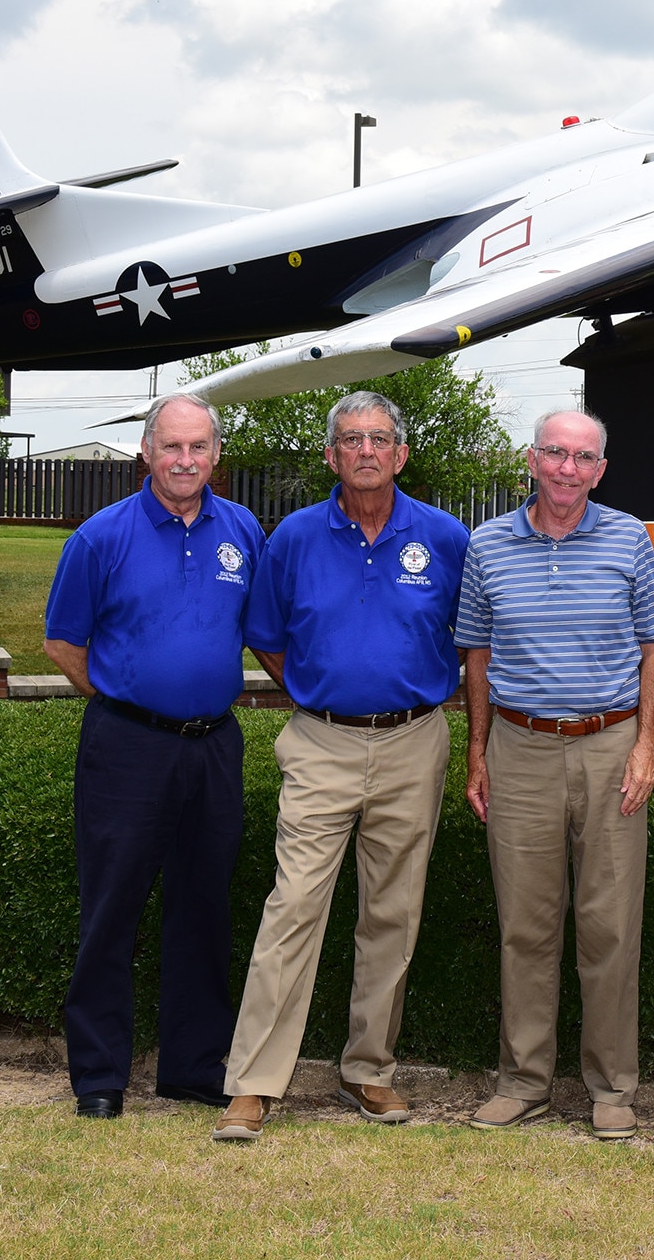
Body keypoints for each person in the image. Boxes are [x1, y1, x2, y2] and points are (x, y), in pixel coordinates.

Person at [211, 390, 469, 1142]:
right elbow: (265, 634)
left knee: (392, 914)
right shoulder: (292, 538)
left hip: (414, 741)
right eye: (350, 439)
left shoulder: (446, 538)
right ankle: (254, 1082)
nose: (365, 450)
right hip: (320, 742)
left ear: (400, 454)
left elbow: (470, 640)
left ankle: (369, 1071)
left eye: (379, 439)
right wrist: (318, 691)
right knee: (293, 908)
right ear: (330, 456)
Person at [454, 408, 654, 1142]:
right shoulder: (488, 545)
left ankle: (613, 1087)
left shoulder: (626, 540)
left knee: (611, 927)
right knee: (526, 928)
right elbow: (477, 656)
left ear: (601, 470)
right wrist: (478, 751)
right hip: (519, 750)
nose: (567, 470)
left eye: (584, 458)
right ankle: (523, 1081)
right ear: (532, 458)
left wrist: (646, 745)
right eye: (555, 453)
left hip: (611, 746)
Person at [42, 391, 265, 1120]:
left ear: (216, 455)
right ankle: (99, 1075)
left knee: (203, 908)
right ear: (146, 451)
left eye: (198, 447)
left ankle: (194, 1068)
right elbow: (62, 642)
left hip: (213, 747)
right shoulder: (101, 537)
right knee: (112, 907)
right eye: (171, 447)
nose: (185, 460)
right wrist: (120, 698)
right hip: (127, 748)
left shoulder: (242, 530)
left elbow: (260, 628)